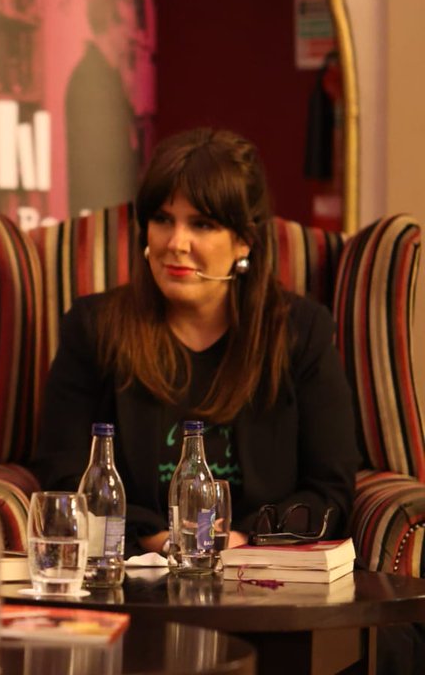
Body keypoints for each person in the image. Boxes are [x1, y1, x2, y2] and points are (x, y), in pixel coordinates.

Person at [33, 128, 357, 558]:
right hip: (131, 577)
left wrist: (244, 538)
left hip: (262, 581)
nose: (175, 243)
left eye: (202, 224)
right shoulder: (93, 327)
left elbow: (329, 486)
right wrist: (152, 536)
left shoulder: (300, 331)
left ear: (244, 240)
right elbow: (63, 471)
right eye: (163, 219)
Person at [65, 0, 138, 215]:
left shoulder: (109, 75)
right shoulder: (90, 81)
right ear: (110, 24)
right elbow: (102, 163)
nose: (132, 34)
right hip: (101, 216)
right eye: (127, 24)